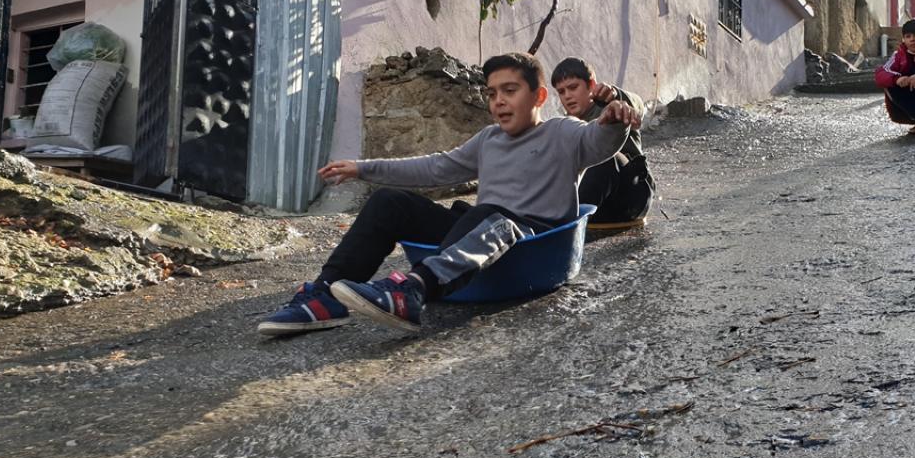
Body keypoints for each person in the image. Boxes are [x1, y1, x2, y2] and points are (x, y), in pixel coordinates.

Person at [257, 52, 641, 336]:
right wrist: (363, 168)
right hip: (478, 233)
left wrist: (612, 120)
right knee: (390, 202)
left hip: (529, 238)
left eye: (510, 91)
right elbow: (435, 167)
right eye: (492, 94)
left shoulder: (564, 131)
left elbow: (598, 142)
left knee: (493, 218)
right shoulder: (488, 140)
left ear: (539, 97)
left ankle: (413, 290)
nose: (499, 102)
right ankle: (325, 298)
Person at [549, 57, 656, 226]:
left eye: (573, 87)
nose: (567, 96)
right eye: (561, 92)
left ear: (591, 85)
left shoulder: (613, 107)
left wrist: (616, 95)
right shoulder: (565, 126)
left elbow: (638, 105)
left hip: (631, 198)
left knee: (601, 154)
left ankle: (565, 228)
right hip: (596, 209)